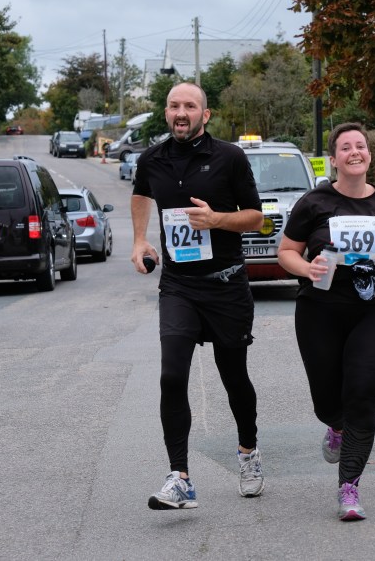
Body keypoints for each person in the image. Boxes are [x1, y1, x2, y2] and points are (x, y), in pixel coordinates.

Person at [276, 122, 375, 521]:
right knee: (327, 399)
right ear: (334, 159)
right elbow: (286, 252)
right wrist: (306, 268)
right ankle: (335, 426)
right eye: (346, 147)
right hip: (319, 310)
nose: (354, 152)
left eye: (360, 146)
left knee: (362, 393)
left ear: (369, 155)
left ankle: (349, 487)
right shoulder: (314, 202)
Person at [130, 82, 265, 510]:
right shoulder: (152, 159)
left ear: (205, 115)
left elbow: (256, 218)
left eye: (190, 106)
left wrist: (216, 220)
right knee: (172, 376)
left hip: (226, 285)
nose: (181, 112)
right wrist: (139, 240)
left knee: (234, 378)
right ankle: (180, 477)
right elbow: (140, 193)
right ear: (166, 112)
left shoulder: (230, 157)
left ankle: (248, 451)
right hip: (179, 286)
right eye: (174, 106)